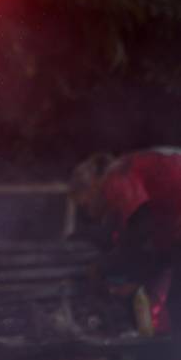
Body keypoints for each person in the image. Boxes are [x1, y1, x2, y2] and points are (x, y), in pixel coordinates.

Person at [70, 147, 181, 351]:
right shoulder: (144, 200)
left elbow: (140, 227)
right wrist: (137, 281)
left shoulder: (115, 177)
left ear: (92, 186)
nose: (88, 213)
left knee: (176, 307)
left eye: (84, 205)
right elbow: (159, 250)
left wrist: (103, 265)